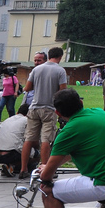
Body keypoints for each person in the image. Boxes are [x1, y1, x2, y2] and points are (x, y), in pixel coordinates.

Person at [37, 88, 105, 208]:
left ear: (57, 113)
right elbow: (80, 147)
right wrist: (49, 166)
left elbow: (46, 177)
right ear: (81, 102)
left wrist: (45, 170)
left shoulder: (68, 132)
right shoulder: (99, 112)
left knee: (48, 192)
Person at [20, 46, 67, 178]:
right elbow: (63, 92)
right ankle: (44, 169)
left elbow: (28, 88)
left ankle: (23, 169)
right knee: (46, 139)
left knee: (28, 138)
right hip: (49, 108)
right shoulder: (60, 71)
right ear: (60, 57)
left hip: (34, 108)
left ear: (49, 55)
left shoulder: (37, 69)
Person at [0, 104, 33, 176]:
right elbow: (32, 141)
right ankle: (19, 168)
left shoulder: (7, 120)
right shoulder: (28, 121)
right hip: (11, 154)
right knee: (35, 153)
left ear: (17, 112)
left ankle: (9, 166)